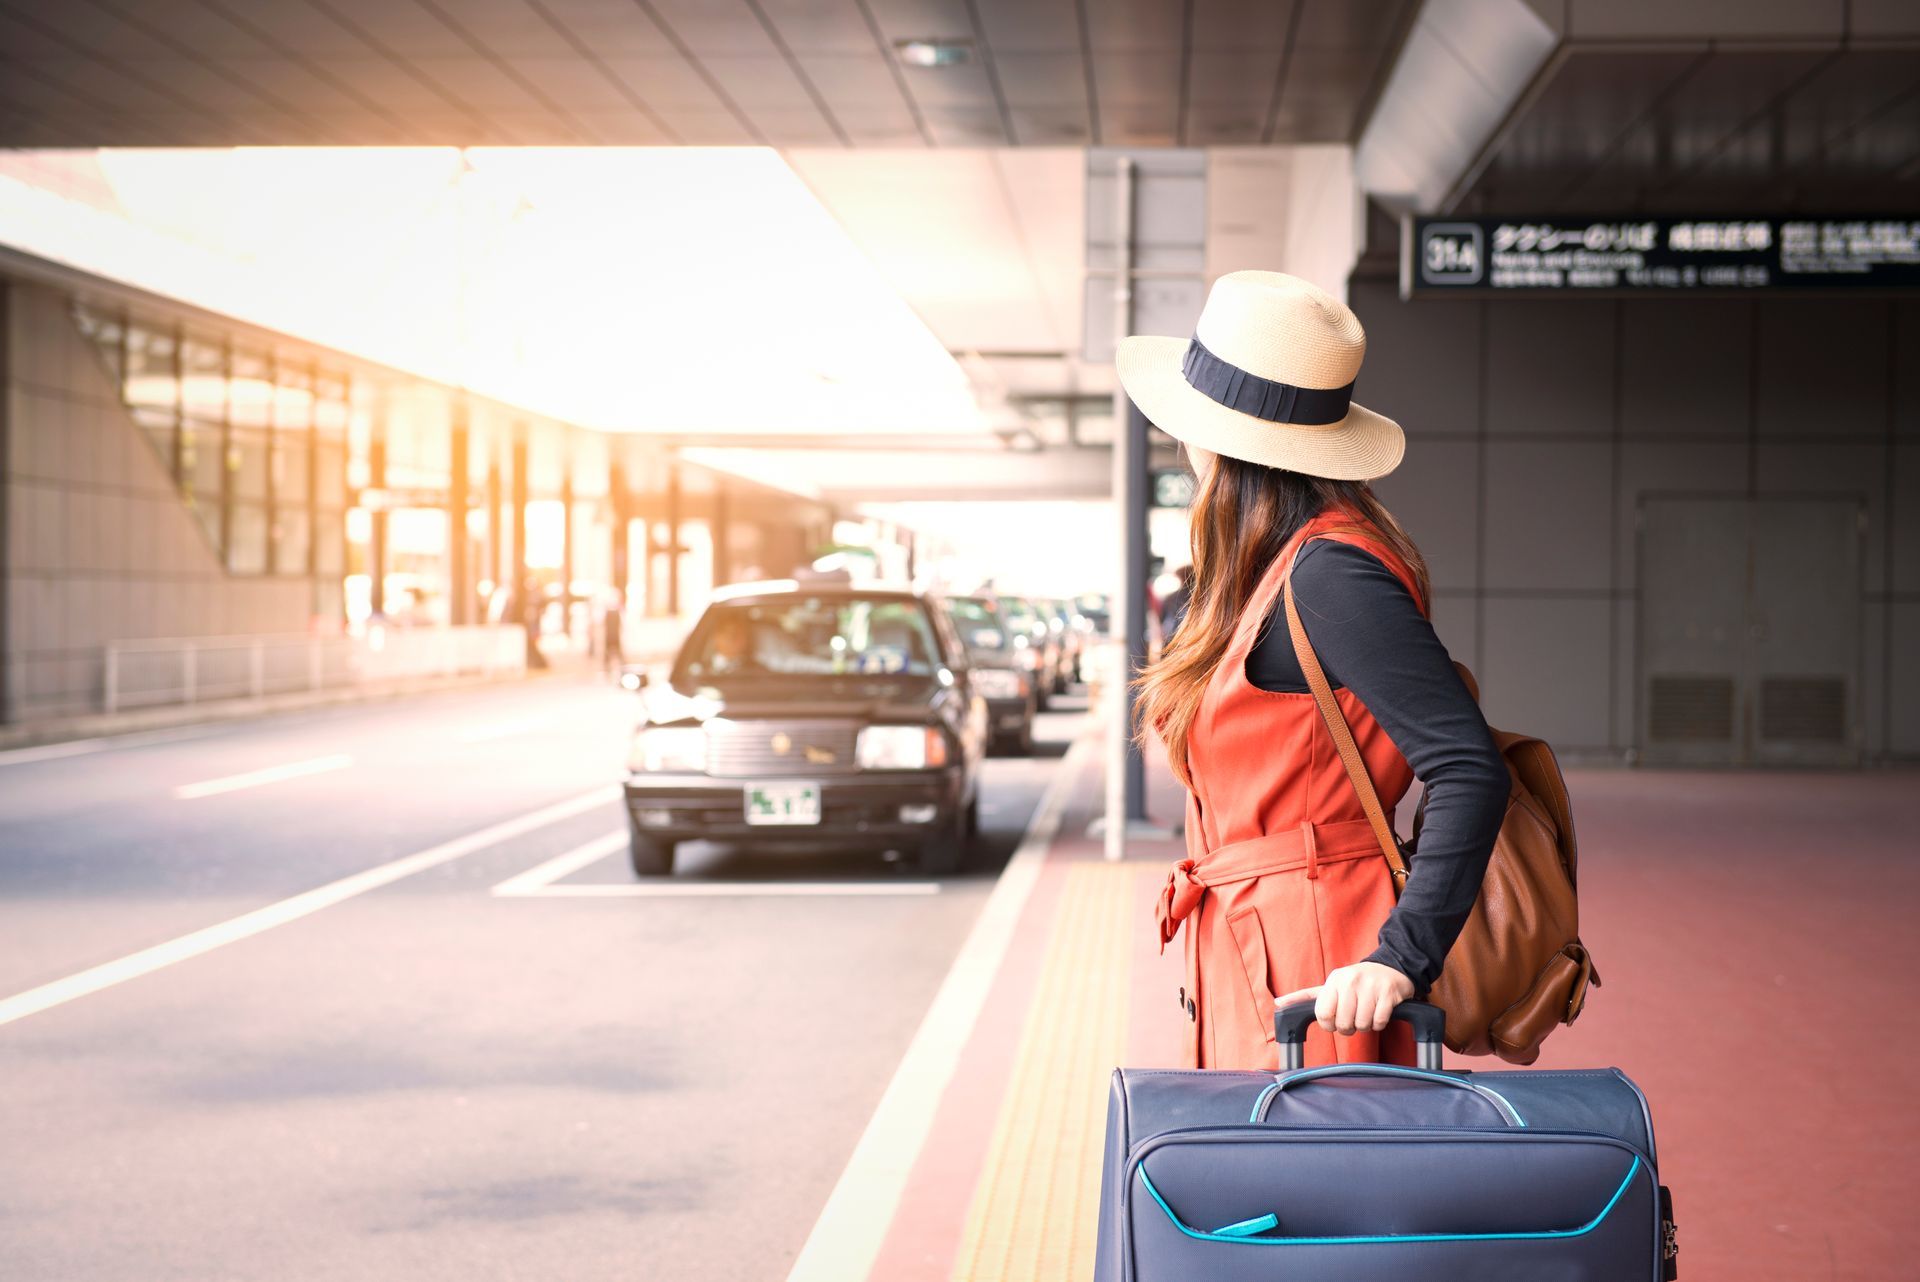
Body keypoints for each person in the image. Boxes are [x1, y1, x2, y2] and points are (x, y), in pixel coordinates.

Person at [1122, 271, 1509, 1071]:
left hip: (1319, 963)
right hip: (1267, 945)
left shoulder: (1328, 574)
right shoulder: (1278, 569)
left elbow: (1469, 767)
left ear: (1219, 442)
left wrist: (1401, 956)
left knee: (1311, 1185)